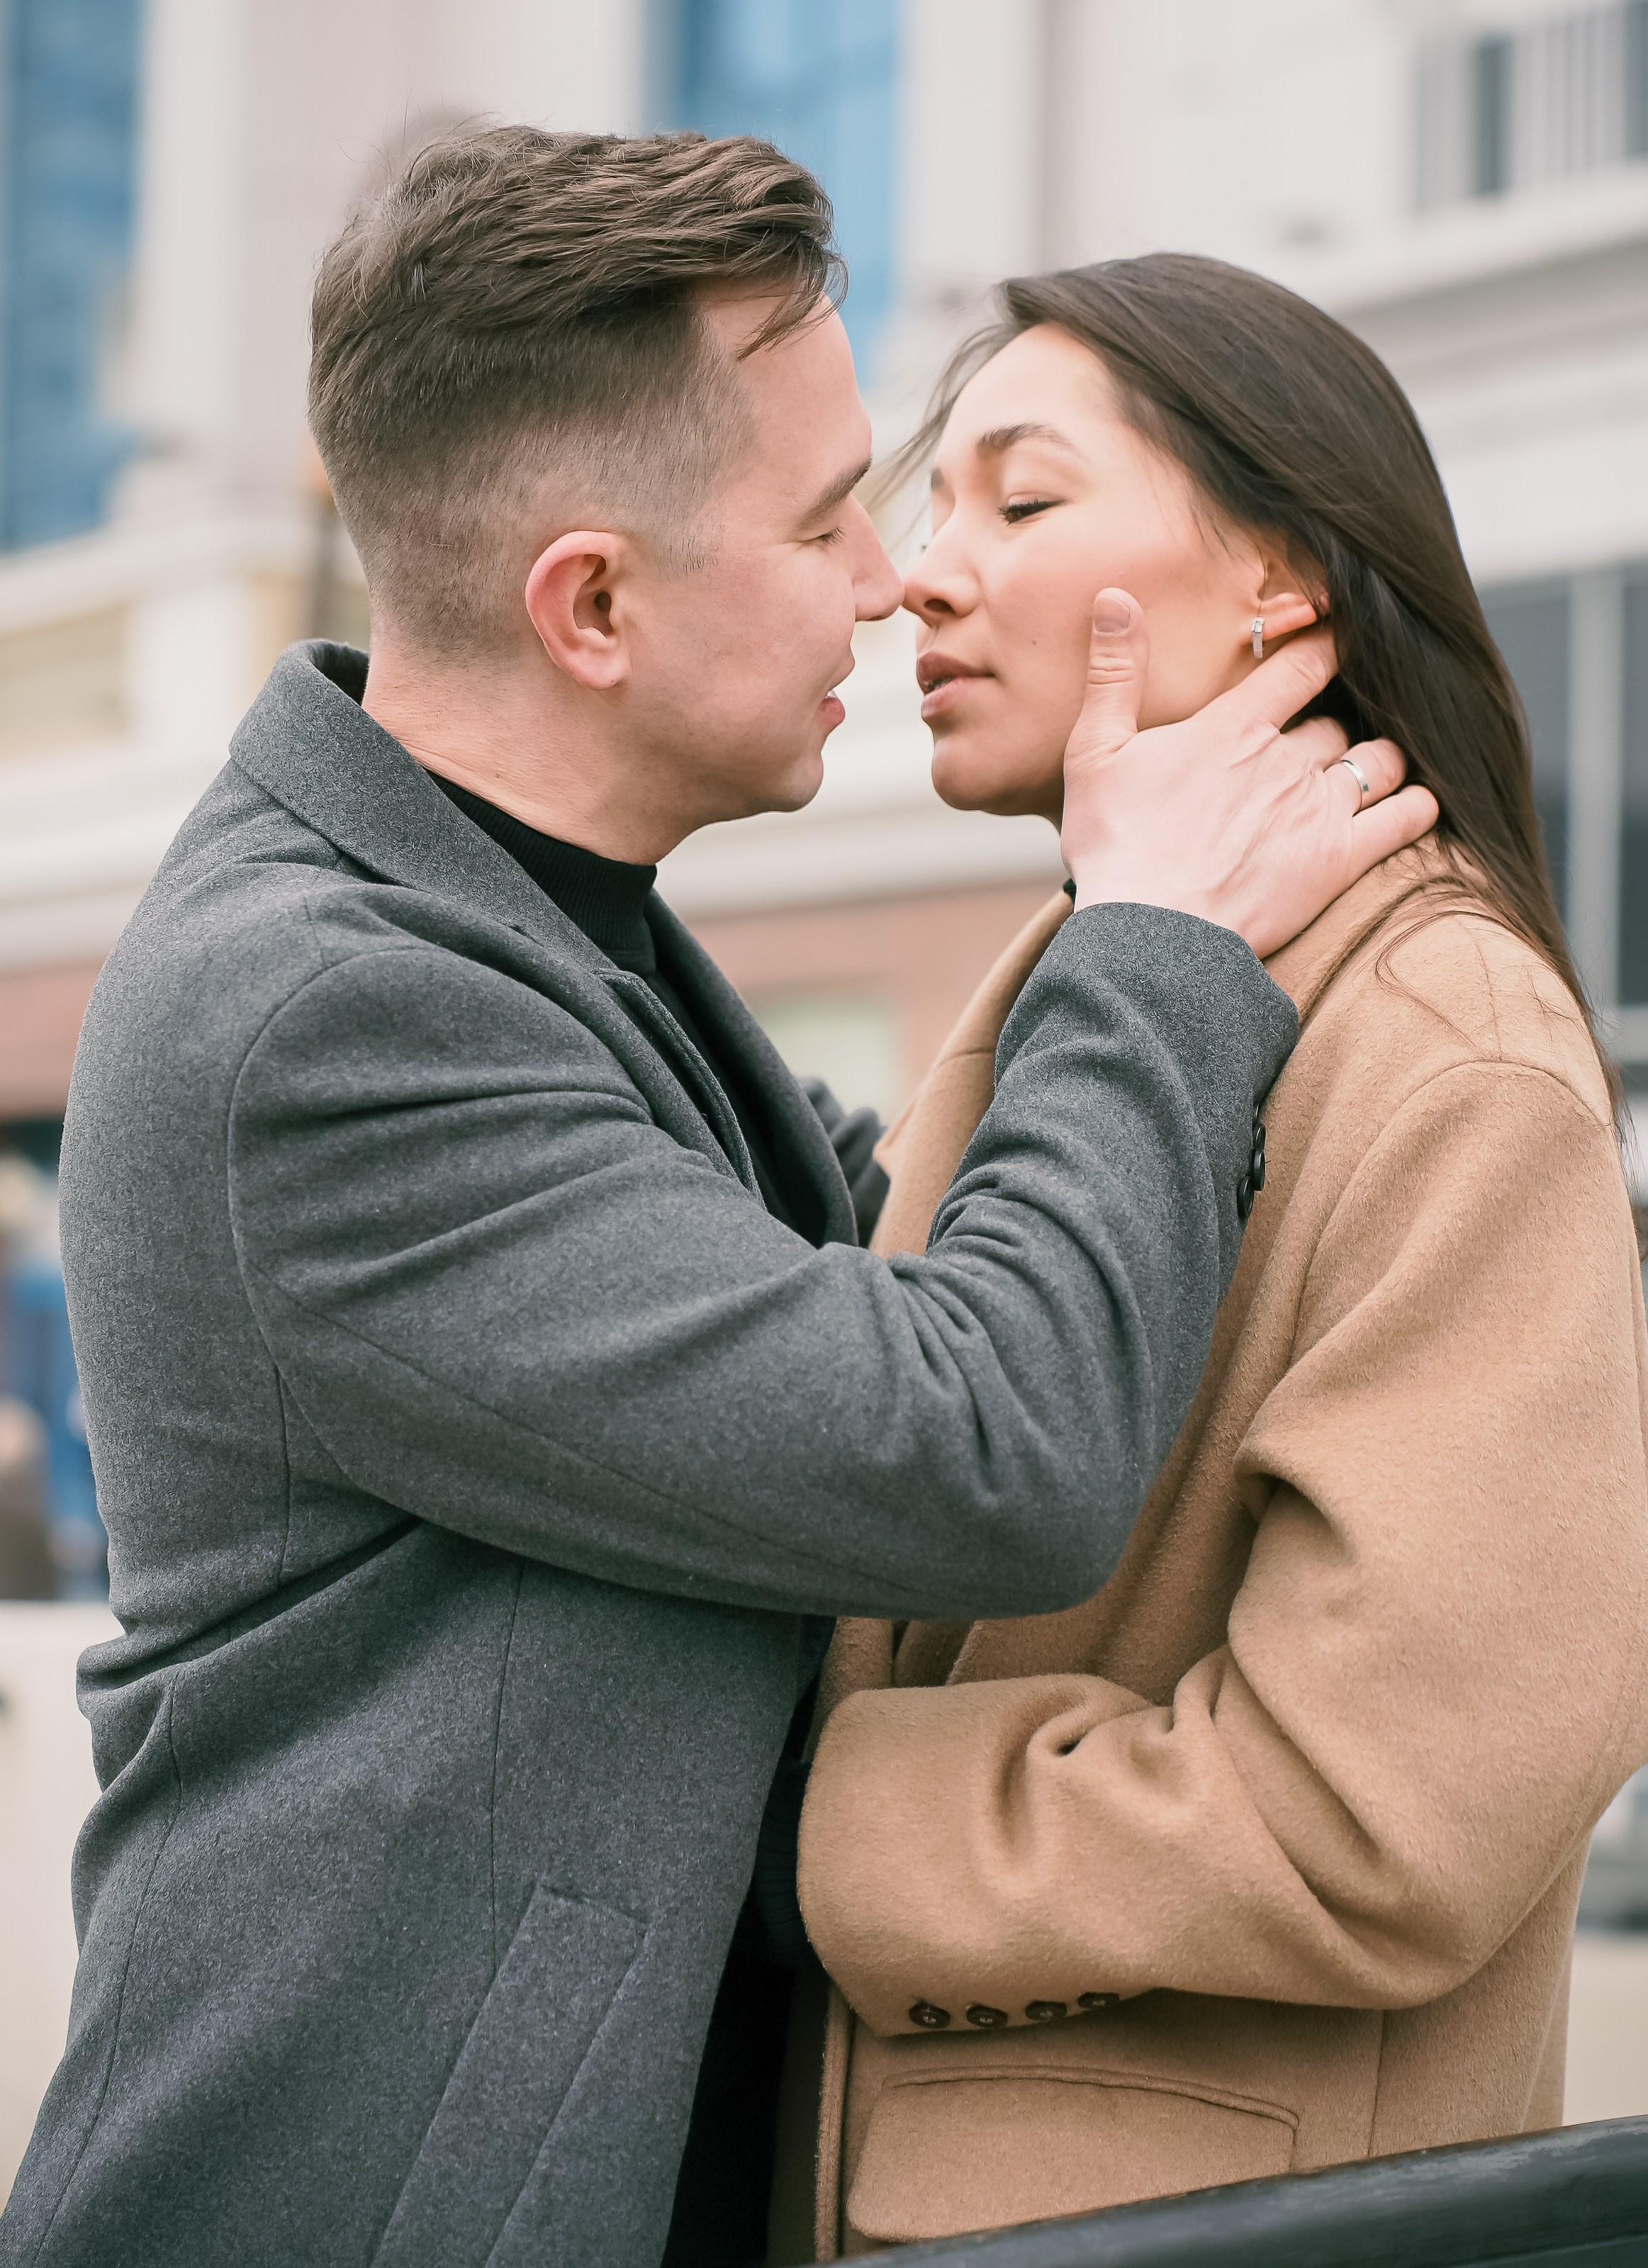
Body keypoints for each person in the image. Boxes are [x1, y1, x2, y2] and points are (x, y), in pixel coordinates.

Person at [0, 139, 1428, 2268]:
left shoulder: (527, 933)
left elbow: (918, 1271)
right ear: (591, 603)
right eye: (821, 514)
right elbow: (984, 1446)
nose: (887, 577)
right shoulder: (325, 1019)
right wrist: (1154, 940)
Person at [790, 252, 1648, 2260]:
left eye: (1021, 499)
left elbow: (1383, 1815)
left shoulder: (1446, 1051)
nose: (926, 573)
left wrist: (815, 1825)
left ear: (1284, 583)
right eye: (932, 510)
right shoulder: (1103, 988)